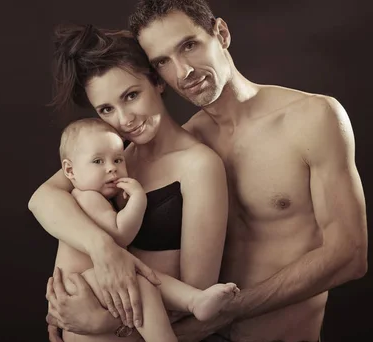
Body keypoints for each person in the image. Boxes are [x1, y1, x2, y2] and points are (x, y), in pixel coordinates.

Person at [43, 1, 368, 341]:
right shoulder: (172, 144)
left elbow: (350, 255)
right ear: (157, 75)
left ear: (222, 33)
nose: (183, 71)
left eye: (189, 45)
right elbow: (47, 196)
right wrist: (95, 272)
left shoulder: (311, 118)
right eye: (163, 61)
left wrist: (221, 311)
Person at [28, 23, 230, 340]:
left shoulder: (199, 165)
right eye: (107, 109)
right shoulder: (112, 158)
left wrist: (105, 325)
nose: (124, 120)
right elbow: (41, 199)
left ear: (157, 82)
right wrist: (104, 249)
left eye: (132, 96)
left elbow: (197, 301)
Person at [50, 117, 239, 342]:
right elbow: (121, 233)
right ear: (70, 171)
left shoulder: (92, 197)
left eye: (118, 159)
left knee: (141, 275)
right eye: (98, 161)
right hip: (81, 291)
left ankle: (194, 300)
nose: (111, 168)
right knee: (138, 281)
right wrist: (139, 199)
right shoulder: (87, 198)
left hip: (92, 292)